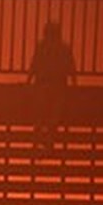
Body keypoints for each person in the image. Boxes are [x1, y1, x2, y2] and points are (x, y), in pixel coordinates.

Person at [28, 21, 76, 150]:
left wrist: (28, 81)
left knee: (40, 113)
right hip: (59, 86)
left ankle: (37, 139)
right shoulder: (64, 48)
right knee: (53, 115)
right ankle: (48, 140)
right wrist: (75, 84)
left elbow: (34, 65)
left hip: (42, 84)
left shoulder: (42, 47)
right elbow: (71, 68)